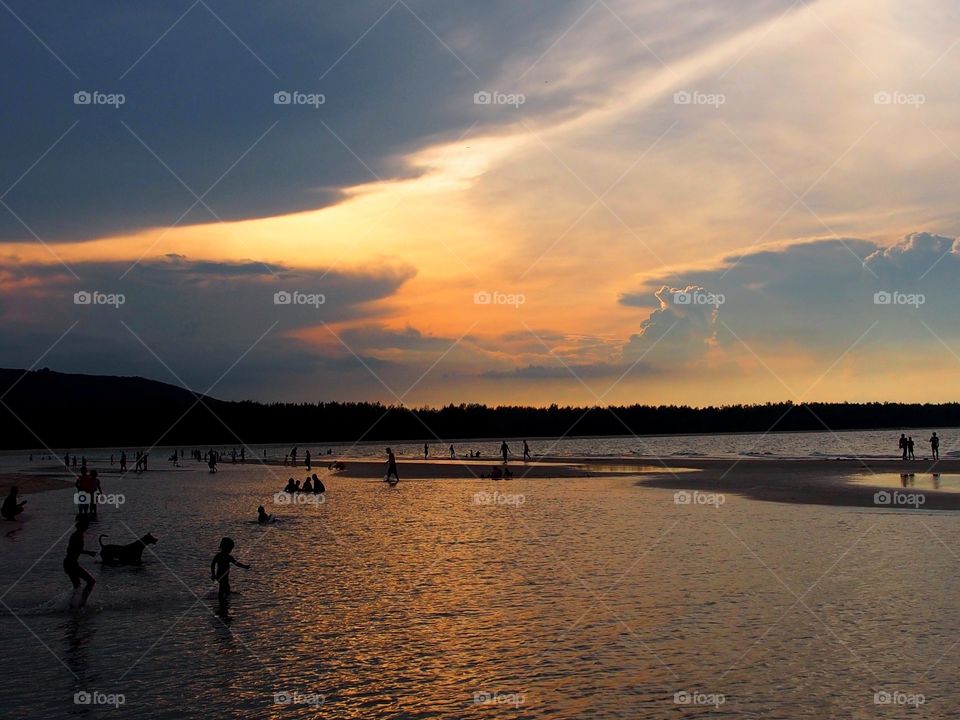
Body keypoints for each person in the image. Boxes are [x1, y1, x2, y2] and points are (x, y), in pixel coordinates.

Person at [64, 517, 96, 609]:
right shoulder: (78, 535)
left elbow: (71, 549)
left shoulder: (75, 534)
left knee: (77, 586)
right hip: (71, 564)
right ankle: (82, 603)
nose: (88, 527)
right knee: (91, 581)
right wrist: (89, 552)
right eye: (87, 526)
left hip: (69, 563)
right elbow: (73, 549)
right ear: (84, 526)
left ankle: (72, 606)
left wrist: (86, 552)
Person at [211, 537, 250, 602]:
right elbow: (236, 563)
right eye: (230, 549)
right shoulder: (227, 557)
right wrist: (244, 566)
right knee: (222, 587)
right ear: (227, 548)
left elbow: (212, 565)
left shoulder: (218, 555)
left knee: (226, 587)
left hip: (221, 575)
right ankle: (221, 600)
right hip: (222, 575)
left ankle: (224, 599)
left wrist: (213, 574)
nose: (231, 550)